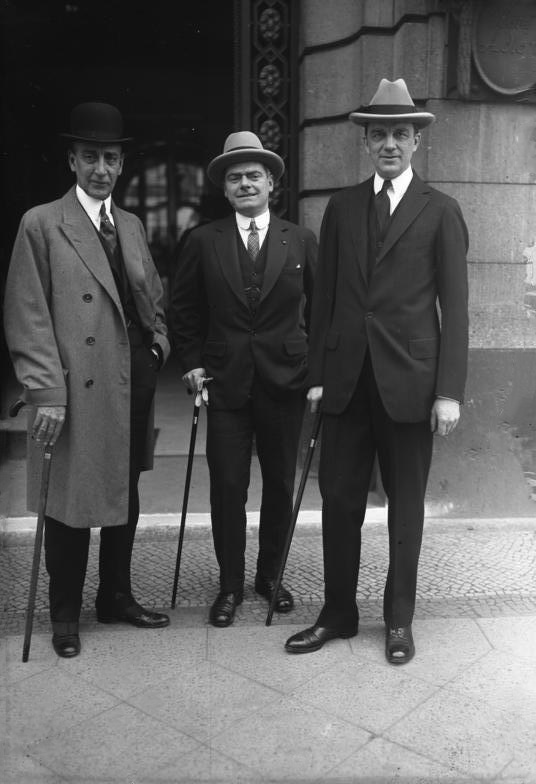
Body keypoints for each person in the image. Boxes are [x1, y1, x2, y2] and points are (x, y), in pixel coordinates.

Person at [285, 79, 469, 663]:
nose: (389, 144)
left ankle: (398, 620)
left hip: (411, 383)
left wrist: (449, 392)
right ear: (365, 142)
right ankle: (338, 613)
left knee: (405, 507)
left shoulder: (440, 210)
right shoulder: (341, 207)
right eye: (379, 135)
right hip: (346, 380)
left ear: (416, 142)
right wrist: (319, 374)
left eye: (400, 134)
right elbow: (325, 298)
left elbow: (456, 308)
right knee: (339, 501)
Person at [3, 102, 170, 658]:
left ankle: (116, 597)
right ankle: (65, 615)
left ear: (121, 164)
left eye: (111, 158)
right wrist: (46, 391)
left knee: (124, 491)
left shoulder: (132, 225)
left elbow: (152, 297)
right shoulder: (42, 223)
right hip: (73, 387)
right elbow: (27, 313)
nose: (102, 168)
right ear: (72, 160)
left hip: (131, 379)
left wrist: (159, 344)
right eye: (91, 157)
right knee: (69, 501)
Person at [170, 131, 317, 627]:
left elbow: (321, 308)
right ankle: (230, 585)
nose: (245, 184)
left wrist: (316, 372)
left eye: (254, 175)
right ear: (225, 188)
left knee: (279, 484)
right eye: (235, 177)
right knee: (228, 487)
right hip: (225, 382)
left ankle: (270, 577)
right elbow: (184, 309)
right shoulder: (203, 240)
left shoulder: (300, 239)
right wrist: (192, 362)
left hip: (285, 381)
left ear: (272, 182)